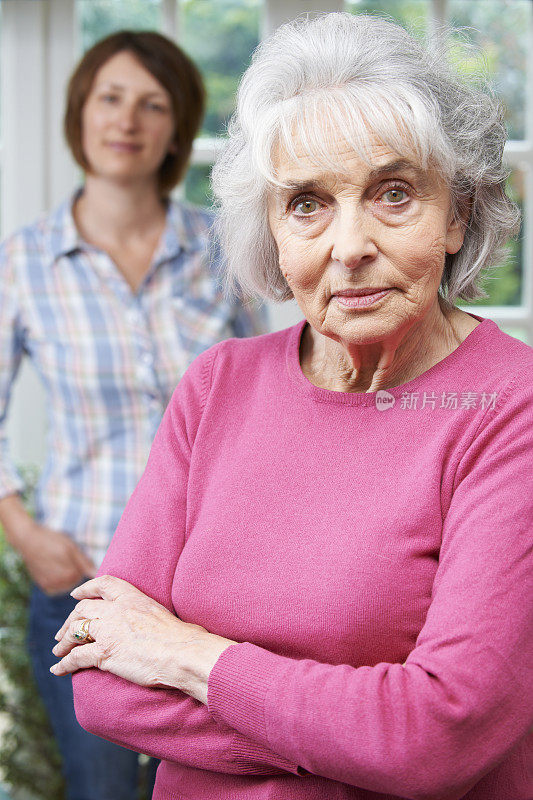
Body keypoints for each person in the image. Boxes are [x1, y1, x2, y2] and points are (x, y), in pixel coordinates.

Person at [52, 13, 532, 800]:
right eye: (306, 203)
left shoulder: (509, 408)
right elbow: (100, 682)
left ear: (457, 215)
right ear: (271, 231)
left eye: (392, 193)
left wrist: (185, 657)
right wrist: (357, 732)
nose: (348, 246)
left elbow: (439, 734)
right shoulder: (217, 387)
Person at [0, 29, 265, 800]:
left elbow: (272, 391)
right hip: (84, 582)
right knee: (104, 792)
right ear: (81, 112)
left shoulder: (220, 252)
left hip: (213, 587)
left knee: (217, 784)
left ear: (177, 128)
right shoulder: (24, 263)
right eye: (111, 98)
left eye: (153, 104)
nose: (127, 120)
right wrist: (22, 530)